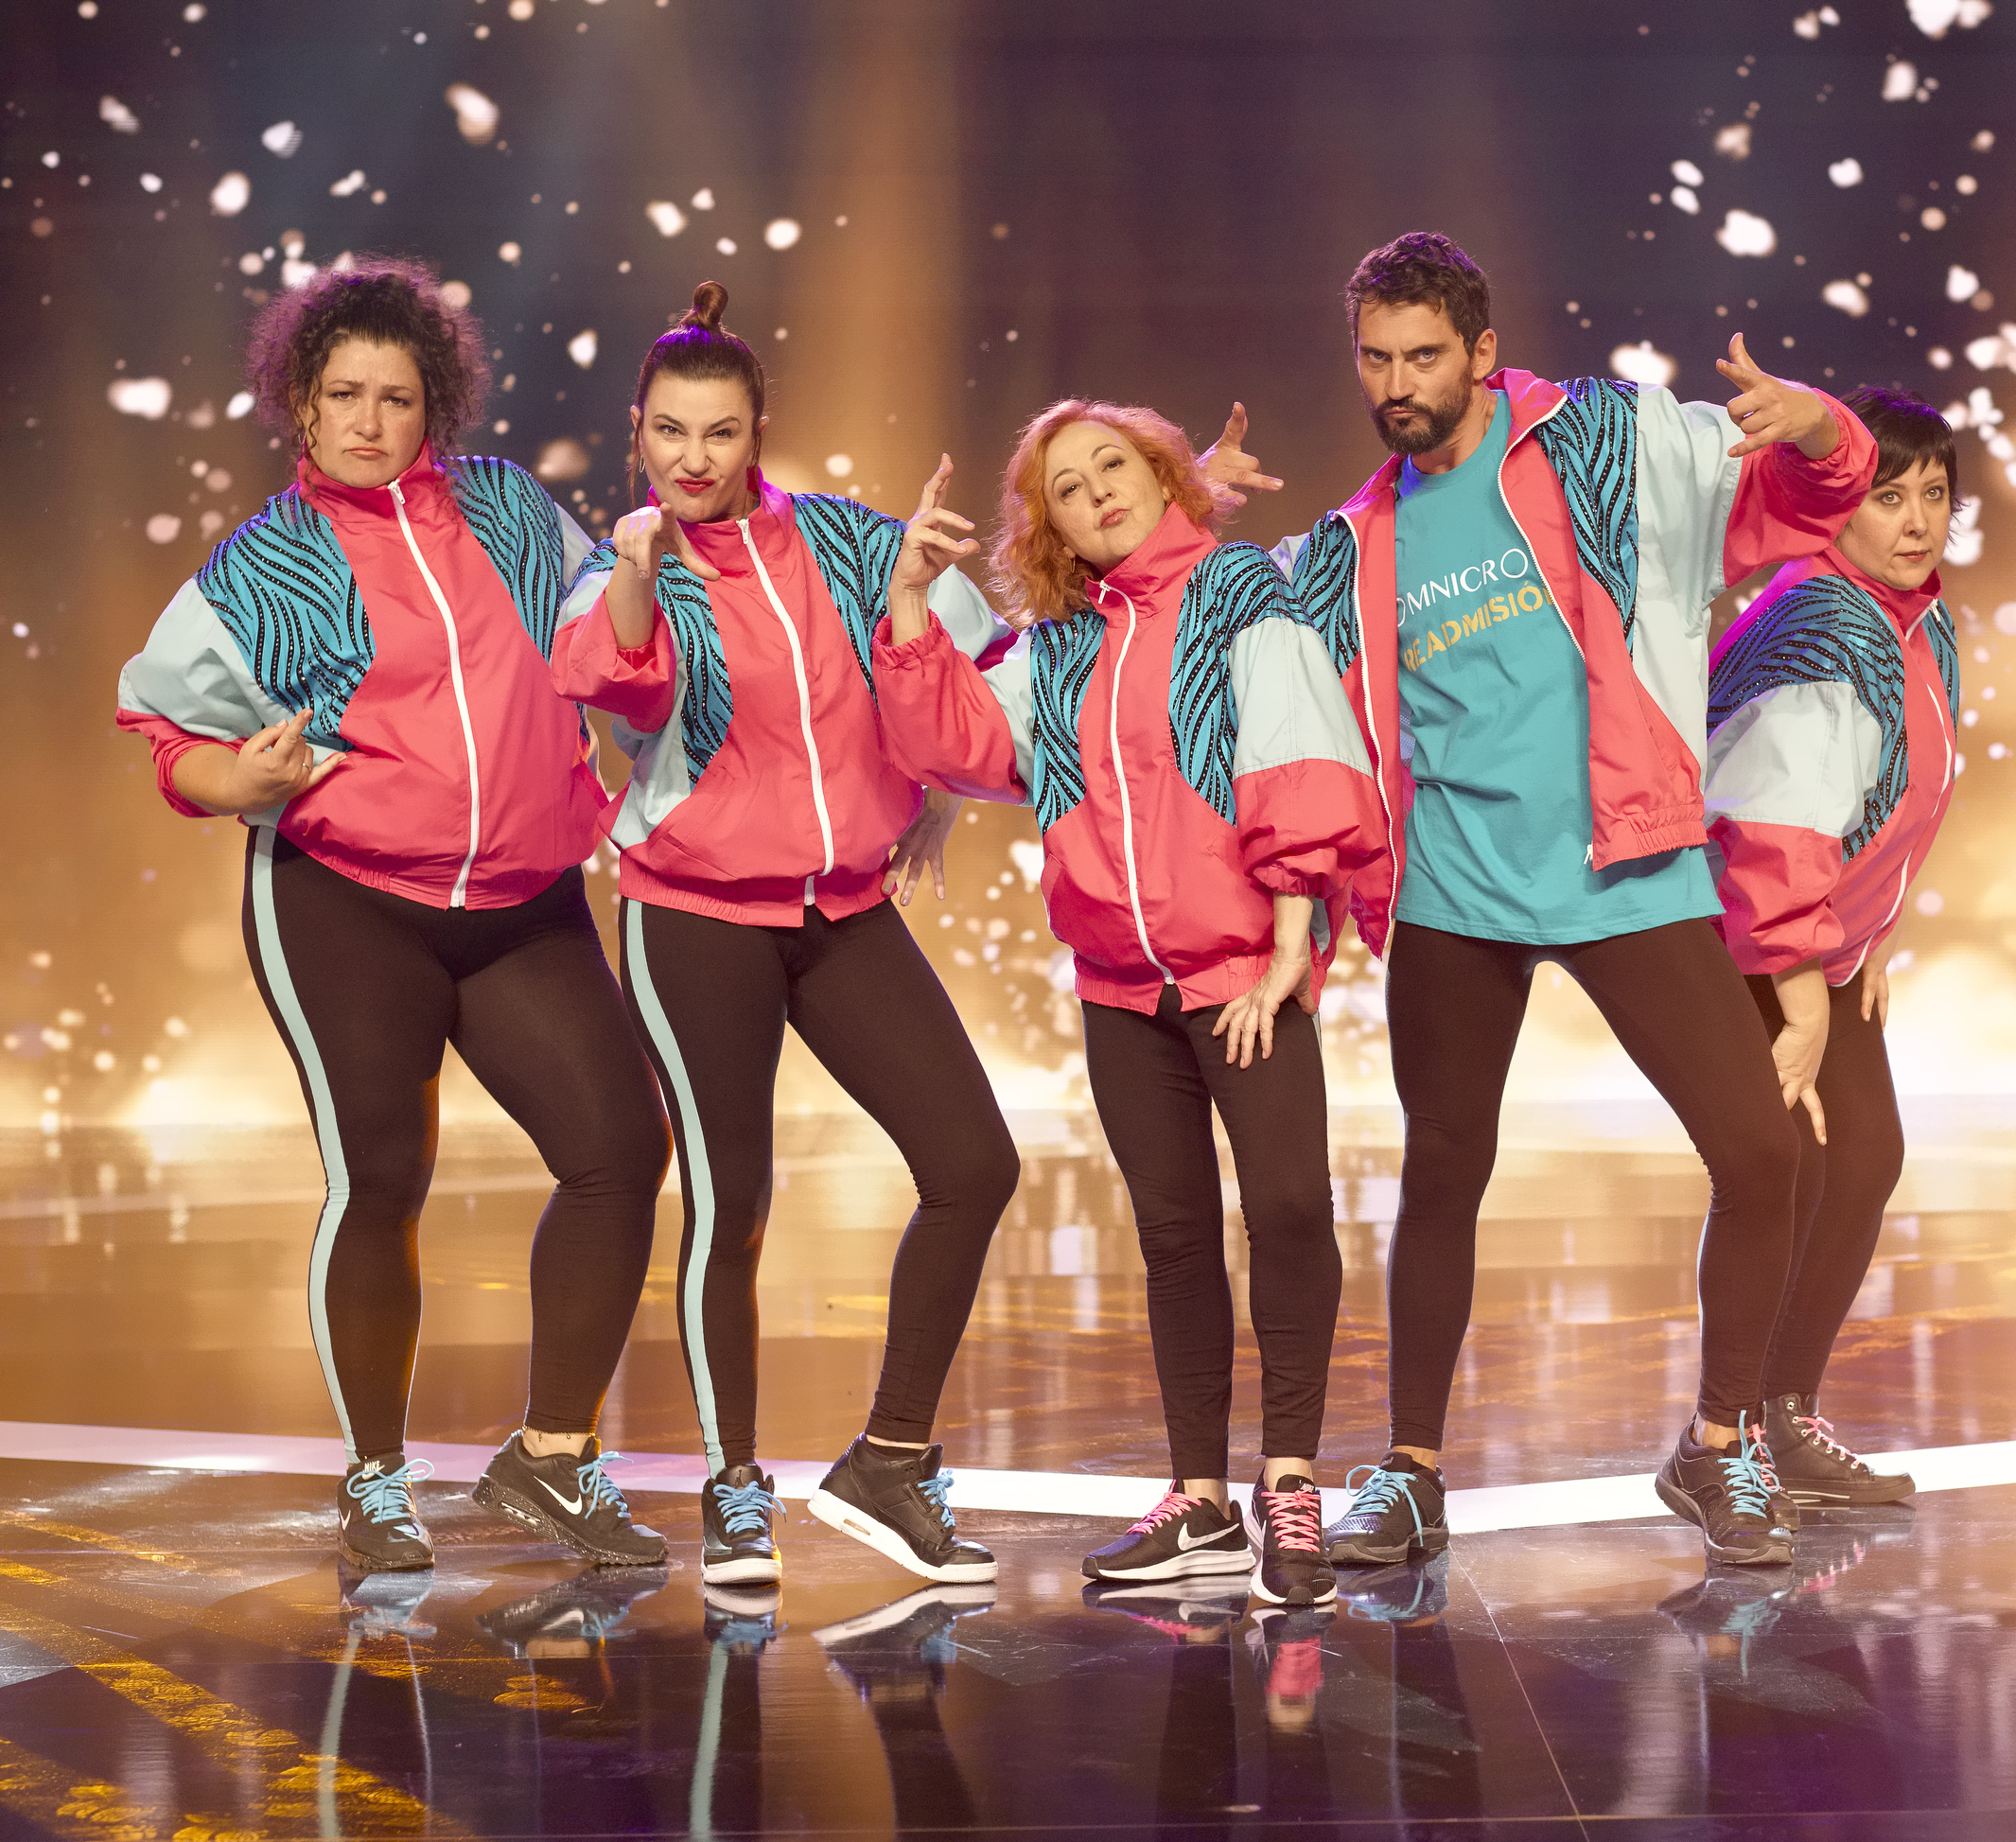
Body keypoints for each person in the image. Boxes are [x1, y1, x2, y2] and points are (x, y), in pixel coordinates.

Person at [1218, 231, 1881, 1568]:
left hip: (1629, 866)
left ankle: (1718, 1441)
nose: (1398, 384)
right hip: (1456, 893)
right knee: (1444, 1172)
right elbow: (1226, 643)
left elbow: (1806, 497)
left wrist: (1820, 424)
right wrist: (1188, 499)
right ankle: (1411, 1472)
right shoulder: (1353, 543)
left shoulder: (1605, 441)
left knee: (1761, 1153)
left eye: (1423, 356)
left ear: (1481, 349)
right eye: (1376, 359)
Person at [113, 257, 670, 1571]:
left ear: (437, 406)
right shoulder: (263, 566)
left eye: (398, 397)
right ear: (300, 404)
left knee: (618, 1148)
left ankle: (552, 1458)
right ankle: (375, 1479)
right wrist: (237, 779)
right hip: (345, 904)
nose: (369, 421)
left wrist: (646, 574)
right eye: (344, 394)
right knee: (381, 1179)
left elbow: (605, 641)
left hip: (524, 897)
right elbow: (164, 729)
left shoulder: (511, 511)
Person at [875, 399, 1385, 1609]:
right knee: (1174, 1237)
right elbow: (960, 739)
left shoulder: (1238, 594)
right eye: (1067, 486)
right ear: (1049, 526)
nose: (1097, 490)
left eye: (1115, 464)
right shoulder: (1058, 644)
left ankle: (1290, 1481)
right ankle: (1199, 1496)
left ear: (1165, 477)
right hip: (1119, 989)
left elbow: (1295, 751)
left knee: (1289, 1210)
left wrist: (1290, 946)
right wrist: (907, 601)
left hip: (1242, 973)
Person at [549, 283, 1019, 1588]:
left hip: (843, 911)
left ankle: (890, 1459)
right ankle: (734, 1488)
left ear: (759, 432)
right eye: (670, 432)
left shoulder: (852, 540)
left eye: (721, 432)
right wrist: (637, 569)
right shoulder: (622, 568)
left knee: (974, 1164)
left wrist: (934, 793)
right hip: (693, 917)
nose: (694, 458)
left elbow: (982, 674)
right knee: (733, 1200)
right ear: (637, 433)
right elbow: (616, 678)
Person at [1703, 384, 1968, 1510]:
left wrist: (1871, 936)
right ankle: (1726, 1434)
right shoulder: (1824, 625)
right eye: (1887, 495)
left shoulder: (1915, 620)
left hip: (1820, 944)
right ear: (1835, 506)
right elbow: (1774, 828)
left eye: (1935, 494)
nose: (1916, 521)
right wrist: (1805, 987)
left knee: (1859, 1157)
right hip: (1751, 944)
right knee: (1789, 1172)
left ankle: (1780, 1414)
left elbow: (1885, 799)